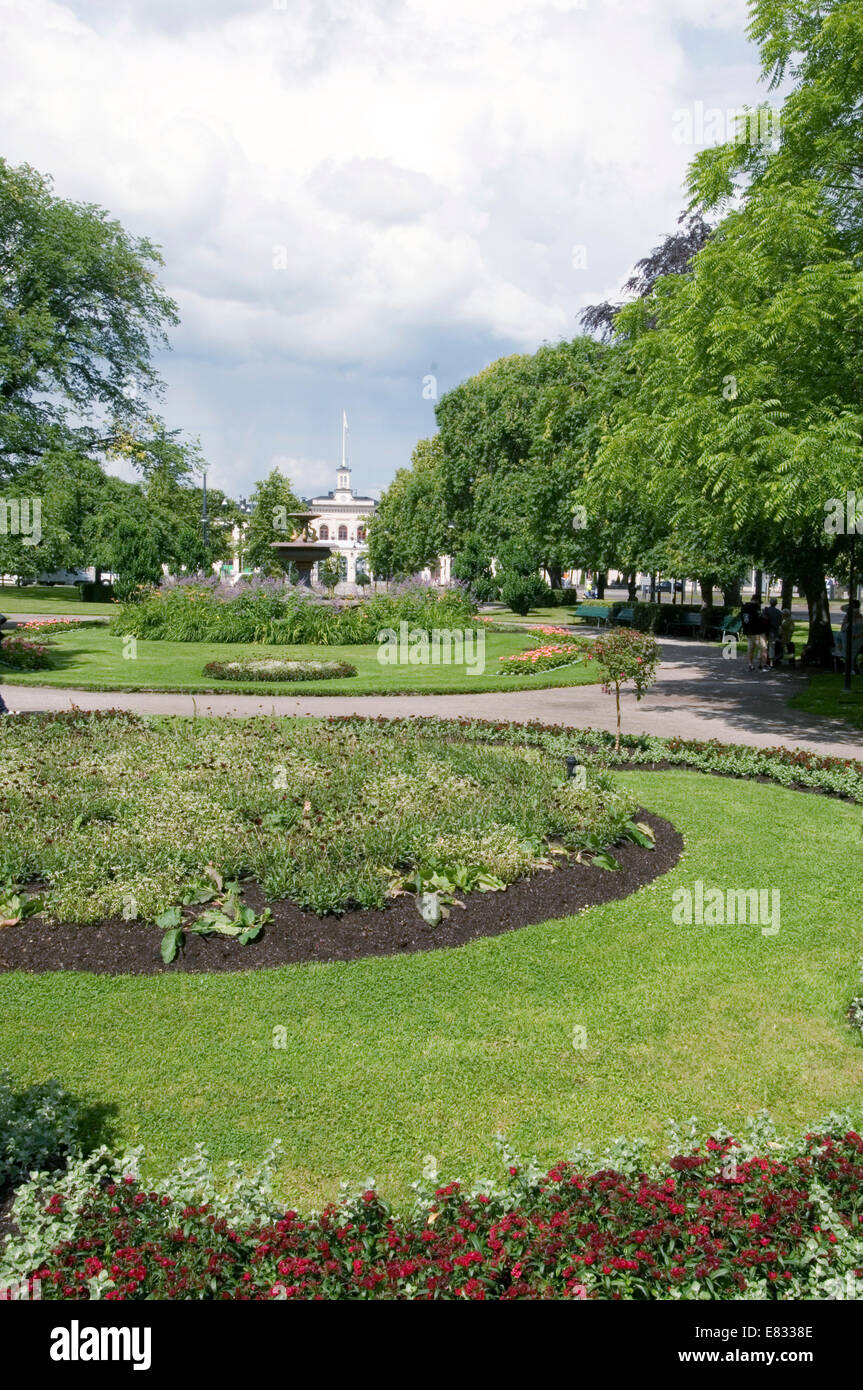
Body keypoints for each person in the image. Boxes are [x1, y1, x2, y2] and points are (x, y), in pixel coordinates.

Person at [741, 594, 768, 670]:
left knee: (750, 649)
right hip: (757, 632)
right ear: (757, 600)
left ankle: (750, 664)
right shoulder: (756, 608)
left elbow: (743, 619)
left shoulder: (744, 607)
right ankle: (763, 665)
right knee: (764, 648)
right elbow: (760, 619)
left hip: (748, 631)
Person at [762, 596, 782, 666]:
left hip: (765, 631)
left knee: (763, 646)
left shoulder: (765, 610)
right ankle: (771, 663)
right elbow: (779, 623)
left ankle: (762, 661)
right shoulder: (779, 612)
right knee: (772, 647)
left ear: (770, 602)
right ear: (776, 603)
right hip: (773, 631)